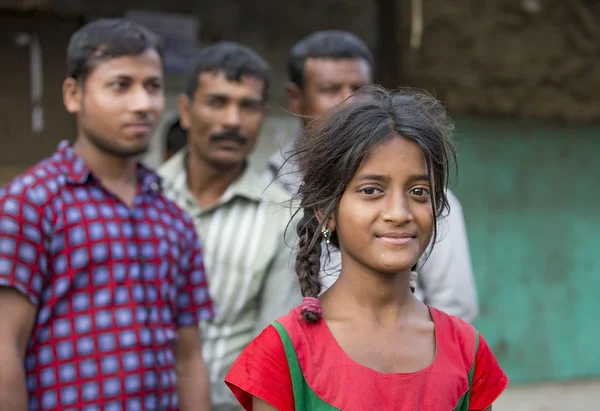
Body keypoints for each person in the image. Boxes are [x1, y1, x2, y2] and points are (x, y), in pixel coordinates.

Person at [226, 86, 508, 410]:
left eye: (418, 191)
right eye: (372, 190)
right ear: (326, 212)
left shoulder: (466, 350)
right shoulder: (282, 353)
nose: (399, 213)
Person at [0, 19, 214, 411]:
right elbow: (4, 347)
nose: (142, 104)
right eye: (120, 85)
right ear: (73, 94)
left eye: (152, 86)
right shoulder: (30, 203)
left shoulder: (172, 218)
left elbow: (188, 359)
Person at [265, 30, 479, 322]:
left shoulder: (424, 198)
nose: (349, 101)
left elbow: (455, 305)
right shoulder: (267, 189)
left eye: (359, 87)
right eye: (330, 89)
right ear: (295, 98)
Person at [158, 42, 297, 411]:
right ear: (186, 111)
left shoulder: (284, 219)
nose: (233, 120)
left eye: (247, 106)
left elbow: (271, 352)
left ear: (262, 116)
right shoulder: (141, 201)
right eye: (217, 102)